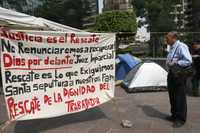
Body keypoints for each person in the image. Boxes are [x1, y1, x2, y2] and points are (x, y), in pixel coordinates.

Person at [165, 32, 192, 128]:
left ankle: (180, 119)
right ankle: (174, 115)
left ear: (174, 38)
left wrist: (177, 62)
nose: (166, 40)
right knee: (172, 95)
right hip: (172, 74)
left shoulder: (181, 46)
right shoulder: (172, 47)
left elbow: (188, 60)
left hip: (179, 75)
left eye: (167, 38)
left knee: (180, 97)